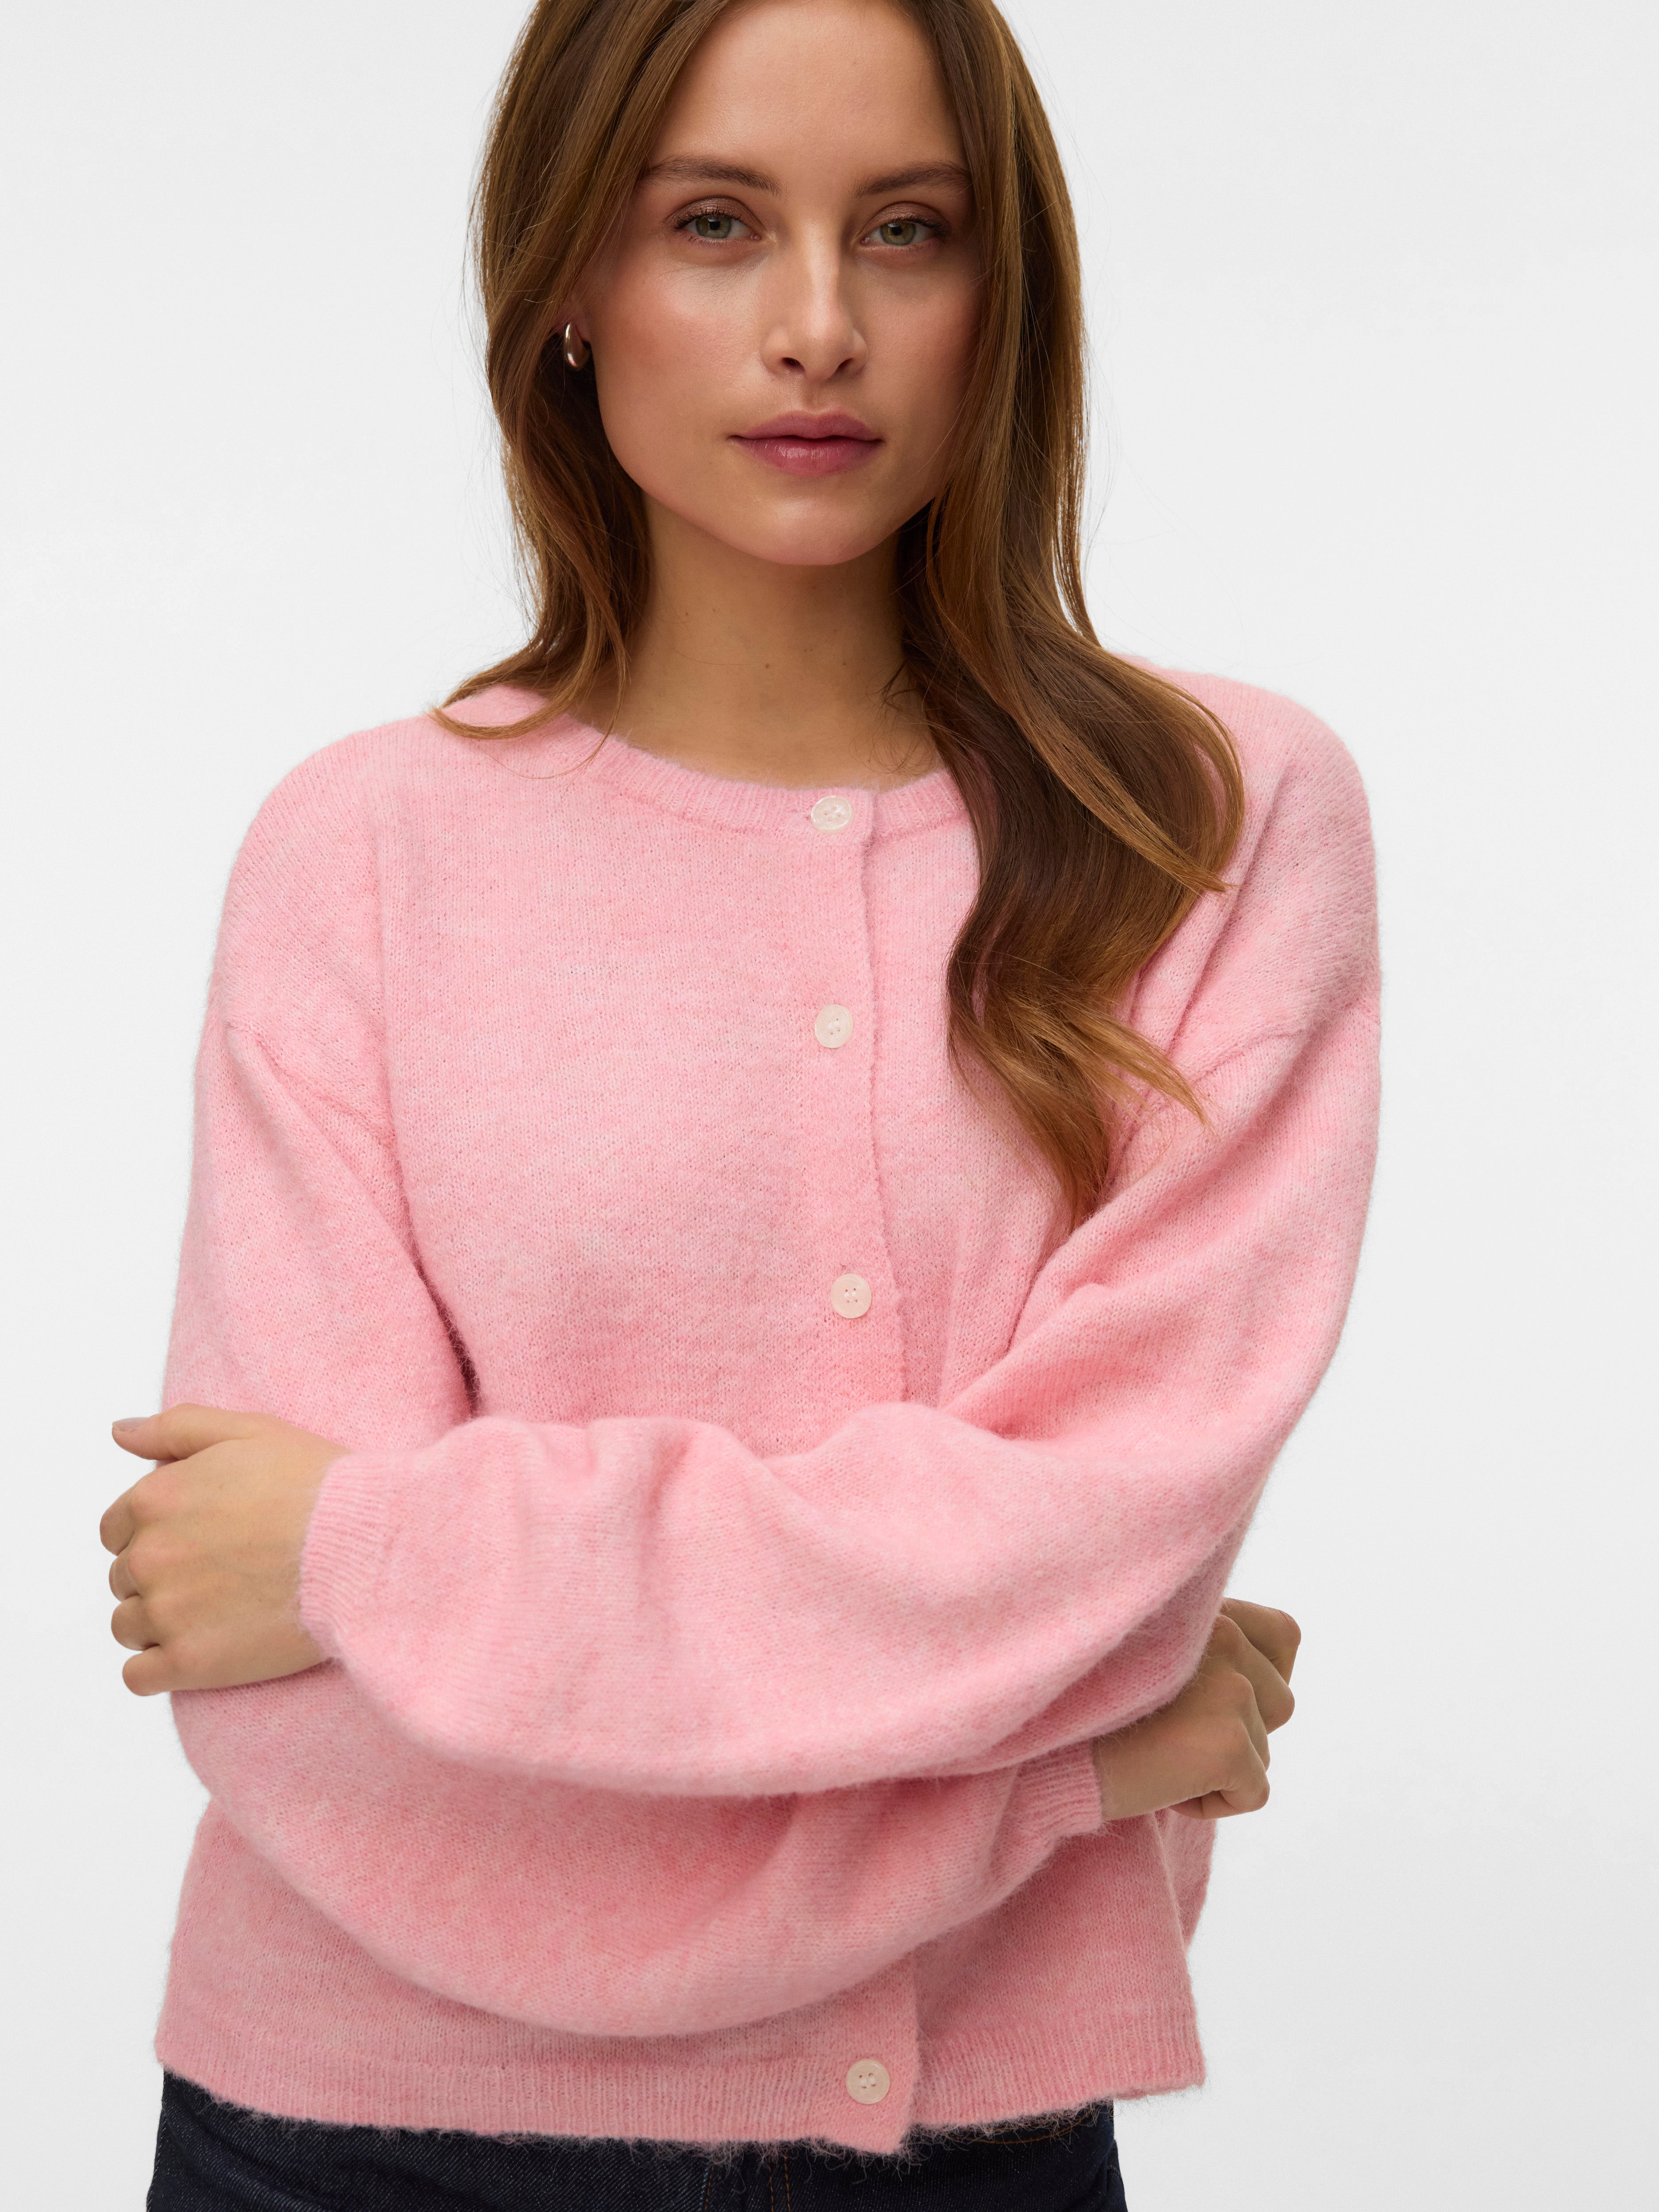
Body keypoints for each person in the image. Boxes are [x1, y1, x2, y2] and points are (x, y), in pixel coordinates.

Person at [99, 0, 1379, 2204]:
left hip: (957, 2140)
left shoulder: (1207, 824)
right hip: (340, 2138)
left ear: (1002, 292)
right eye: (712, 223)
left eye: (905, 229)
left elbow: (1092, 1552)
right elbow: (313, 1736)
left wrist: (373, 1553)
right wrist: (1048, 1777)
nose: (816, 326)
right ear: (568, 286)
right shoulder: (360, 854)